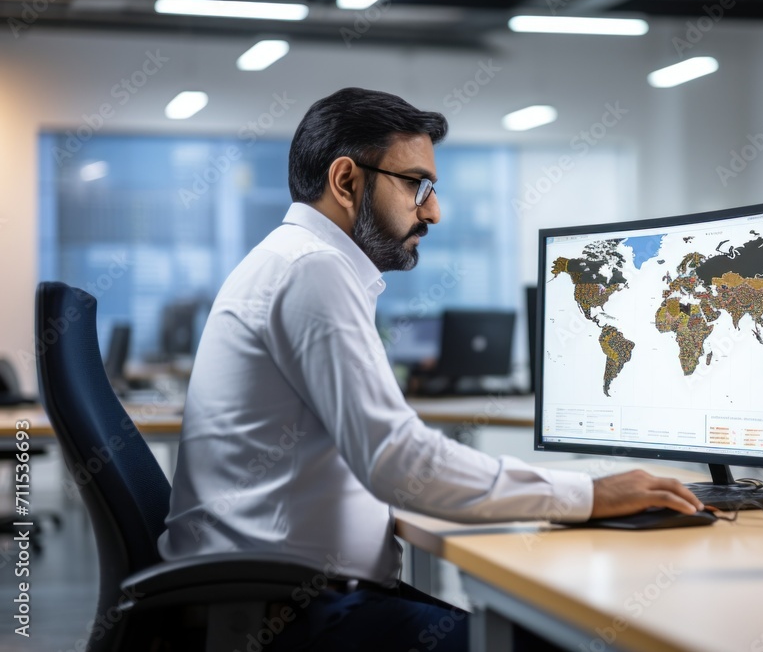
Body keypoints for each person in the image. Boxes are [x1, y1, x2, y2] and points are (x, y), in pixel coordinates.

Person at [158, 87, 703, 651]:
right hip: (285, 617)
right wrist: (588, 494)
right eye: (416, 184)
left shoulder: (294, 262)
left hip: (288, 594)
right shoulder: (311, 271)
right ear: (346, 182)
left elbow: (385, 456)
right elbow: (398, 462)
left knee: (539, 629)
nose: (433, 210)